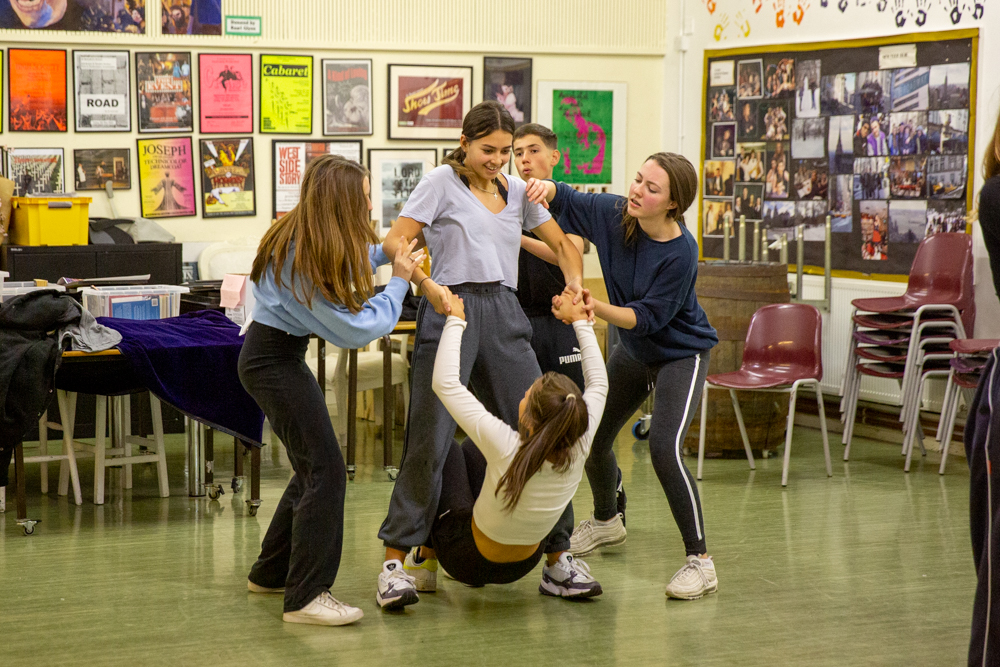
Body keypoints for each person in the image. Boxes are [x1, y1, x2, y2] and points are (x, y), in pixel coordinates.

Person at [375, 100, 591, 610]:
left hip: (505, 309)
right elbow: (394, 242)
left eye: (505, 151)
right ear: (465, 143)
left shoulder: (517, 192)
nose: (498, 160)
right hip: (452, 308)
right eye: (488, 150)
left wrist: (576, 288)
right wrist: (425, 286)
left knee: (547, 428)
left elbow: (564, 248)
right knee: (428, 436)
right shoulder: (439, 183)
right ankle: (395, 564)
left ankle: (558, 559)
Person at [524, 152, 721, 600]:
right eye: (638, 180)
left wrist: (589, 307)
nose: (637, 191)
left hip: (680, 355)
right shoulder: (616, 214)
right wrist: (544, 188)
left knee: (663, 448)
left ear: (673, 204)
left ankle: (701, 562)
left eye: (651, 189)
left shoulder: (681, 252)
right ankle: (608, 521)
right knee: (590, 433)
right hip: (634, 353)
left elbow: (645, 318)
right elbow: (569, 198)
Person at [240, 155, 425, 626]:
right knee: (327, 471)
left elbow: (345, 258)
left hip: (273, 357)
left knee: (311, 468)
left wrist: (385, 255)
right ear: (342, 204)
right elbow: (355, 330)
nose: (370, 209)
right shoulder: (300, 259)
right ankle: (306, 597)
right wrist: (399, 282)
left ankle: (270, 573)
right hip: (272, 362)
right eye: (364, 200)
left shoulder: (305, 234)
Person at [426, 288, 606, 593]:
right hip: (525, 564)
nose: (522, 394)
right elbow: (598, 383)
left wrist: (455, 320)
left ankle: (422, 559)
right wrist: (580, 322)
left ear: (530, 421)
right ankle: (553, 572)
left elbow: (444, 384)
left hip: (465, 560)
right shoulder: (580, 442)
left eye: (527, 396)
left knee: (446, 449)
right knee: (473, 450)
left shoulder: (506, 445)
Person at [511, 123, 586, 390]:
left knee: (568, 400)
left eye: (533, 150)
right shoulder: (509, 201)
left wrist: (518, 238)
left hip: (558, 318)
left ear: (554, 157)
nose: (525, 159)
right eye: (518, 153)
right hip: (519, 317)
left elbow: (570, 251)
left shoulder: (567, 201)